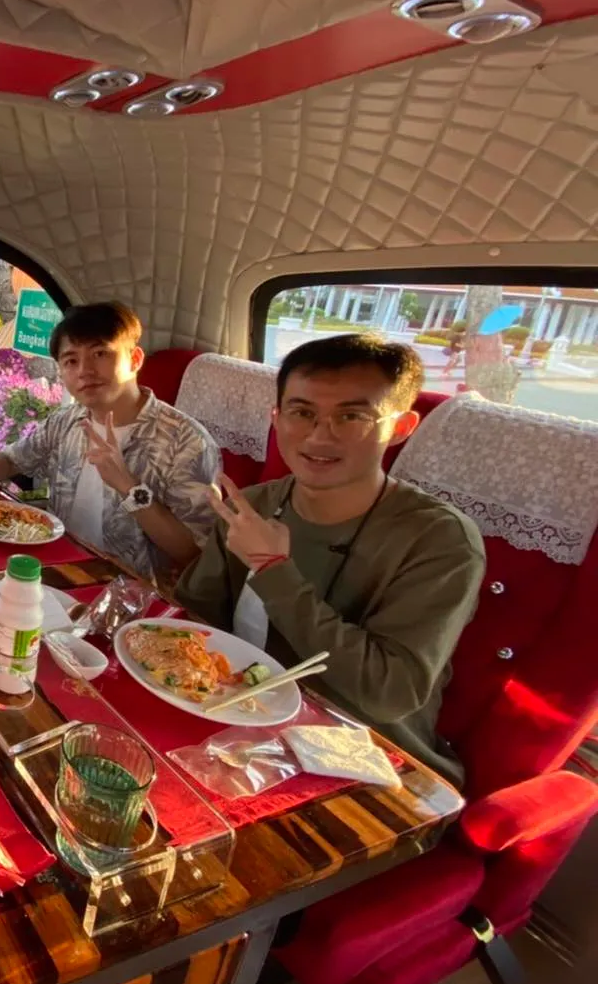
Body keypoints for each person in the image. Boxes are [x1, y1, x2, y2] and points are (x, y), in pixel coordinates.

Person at [175, 334, 485, 785]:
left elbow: (387, 694)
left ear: (401, 427)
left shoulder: (440, 541)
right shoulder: (253, 505)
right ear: (276, 418)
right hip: (236, 723)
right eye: (302, 413)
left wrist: (272, 570)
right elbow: (194, 618)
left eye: (352, 416)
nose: (320, 435)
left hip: (369, 760)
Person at [0, 302, 221, 583]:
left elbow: (195, 553)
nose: (85, 370)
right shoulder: (66, 421)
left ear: (135, 359)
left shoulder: (187, 441)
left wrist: (129, 487)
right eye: (71, 361)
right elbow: (12, 460)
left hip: (135, 593)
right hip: (59, 571)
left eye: (100, 354)